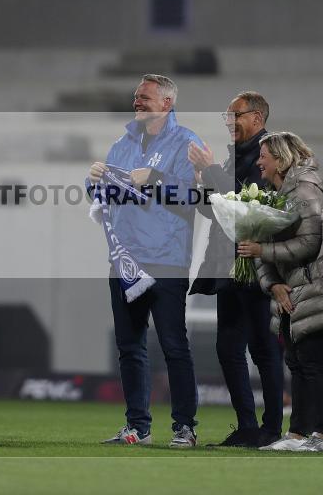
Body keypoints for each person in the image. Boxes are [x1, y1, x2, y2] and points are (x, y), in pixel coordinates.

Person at [88, 74, 202, 448]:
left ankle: (184, 426)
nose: (137, 102)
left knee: (173, 345)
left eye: (145, 97)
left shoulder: (186, 143)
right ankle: (138, 427)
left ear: (167, 103)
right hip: (125, 260)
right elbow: (110, 195)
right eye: (136, 96)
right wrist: (95, 183)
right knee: (129, 347)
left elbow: (196, 197)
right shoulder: (122, 144)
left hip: (167, 259)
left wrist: (154, 177)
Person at [239, 131, 323, 452]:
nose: (259, 163)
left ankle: (322, 436)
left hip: (319, 286)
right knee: (296, 360)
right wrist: (273, 284)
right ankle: (298, 434)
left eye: (264, 156)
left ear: (280, 160)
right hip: (293, 289)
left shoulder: (304, 191)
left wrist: (261, 251)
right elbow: (263, 250)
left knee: (313, 360)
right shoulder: (273, 194)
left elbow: (309, 244)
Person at [187, 91, 284, 448]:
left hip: (255, 264)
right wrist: (202, 181)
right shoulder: (234, 157)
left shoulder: (269, 153)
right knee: (228, 347)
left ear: (257, 118)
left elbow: (247, 205)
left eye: (236, 116)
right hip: (227, 265)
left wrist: (212, 171)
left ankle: (272, 429)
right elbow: (216, 211)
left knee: (262, 347)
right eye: (227, 118)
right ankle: (247, 426)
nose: (230, 123)